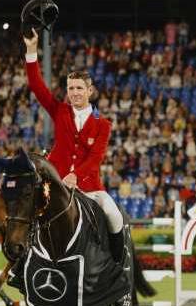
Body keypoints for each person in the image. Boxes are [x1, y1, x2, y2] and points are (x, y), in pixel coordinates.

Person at [22, 29, 125, 262]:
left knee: (114, 215)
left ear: (90, 90)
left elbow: (96, 158)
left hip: (89, 186)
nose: (75, 93)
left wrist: (76, 175)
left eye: (79, 88)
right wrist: (31, 50)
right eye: (71, 88)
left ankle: (117, 265)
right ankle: (21, 263)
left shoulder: (103, 125)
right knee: (26, 212)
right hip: (55, 183)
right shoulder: (59, 111)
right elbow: (37, 86)